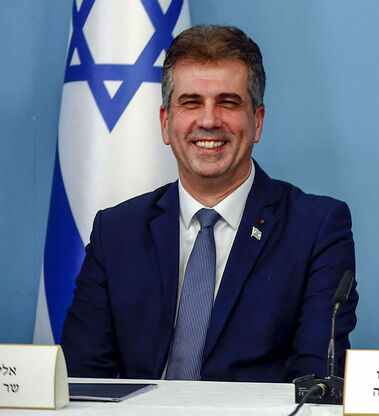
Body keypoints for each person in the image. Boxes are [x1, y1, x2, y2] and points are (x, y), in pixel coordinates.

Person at [61, 25, 357, 382]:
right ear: (165, 123)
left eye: (228, 103)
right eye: (191, 103)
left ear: (257, 122)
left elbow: (316, 380)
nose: (208, 120)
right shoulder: (117, 231)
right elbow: (83, 376)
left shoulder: (316, 227)